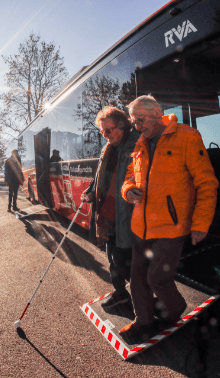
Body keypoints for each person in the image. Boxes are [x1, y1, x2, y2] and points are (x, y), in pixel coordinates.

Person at [118, 95, 218, 340]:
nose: (138, 126)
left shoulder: (187, 136)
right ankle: (142, 321)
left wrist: (200, 224)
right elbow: (129, 177)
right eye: (134, 122)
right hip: (140, 225)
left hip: (171, 226)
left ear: (156, 113)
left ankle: (174, 310)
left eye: (140, 120)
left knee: (157, 278)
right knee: (137, 278)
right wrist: (128, 191)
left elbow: (206, 183)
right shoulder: (141, 143)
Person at [81, 107, 140, 311]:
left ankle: (143, 300)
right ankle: (121, 294)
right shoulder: (108, 149)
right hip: (107, 214)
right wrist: (90, 191)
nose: (105, 135)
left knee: (127, 261)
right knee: (112, 258)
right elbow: (99, 178)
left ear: (122, 126)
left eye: (108, 130)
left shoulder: (136, 145)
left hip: (127, 214)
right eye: (102, 131)